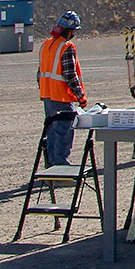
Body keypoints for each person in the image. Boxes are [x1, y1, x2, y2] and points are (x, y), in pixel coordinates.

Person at [37, 11, 88, 167]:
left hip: (48, 96)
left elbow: (39, 72)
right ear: (70, 30)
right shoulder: (66, 47)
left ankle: (52, 166)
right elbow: (70, 74)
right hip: (61, 97)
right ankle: (60, 168)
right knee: (63, 133)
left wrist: (44, 91)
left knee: (52, 131)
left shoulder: (46, 44)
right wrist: (81, 97)